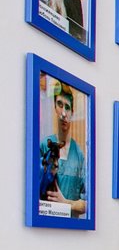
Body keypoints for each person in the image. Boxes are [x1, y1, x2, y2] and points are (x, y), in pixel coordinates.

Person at [40, 79, 88, 217]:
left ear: (72, 112)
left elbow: (87, 204)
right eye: (60, 105)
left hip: (71, 227)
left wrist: (65, 203)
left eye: (67, 107)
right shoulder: (44, 147)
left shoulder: (79, 155)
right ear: (55, 107)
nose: (63, 113)